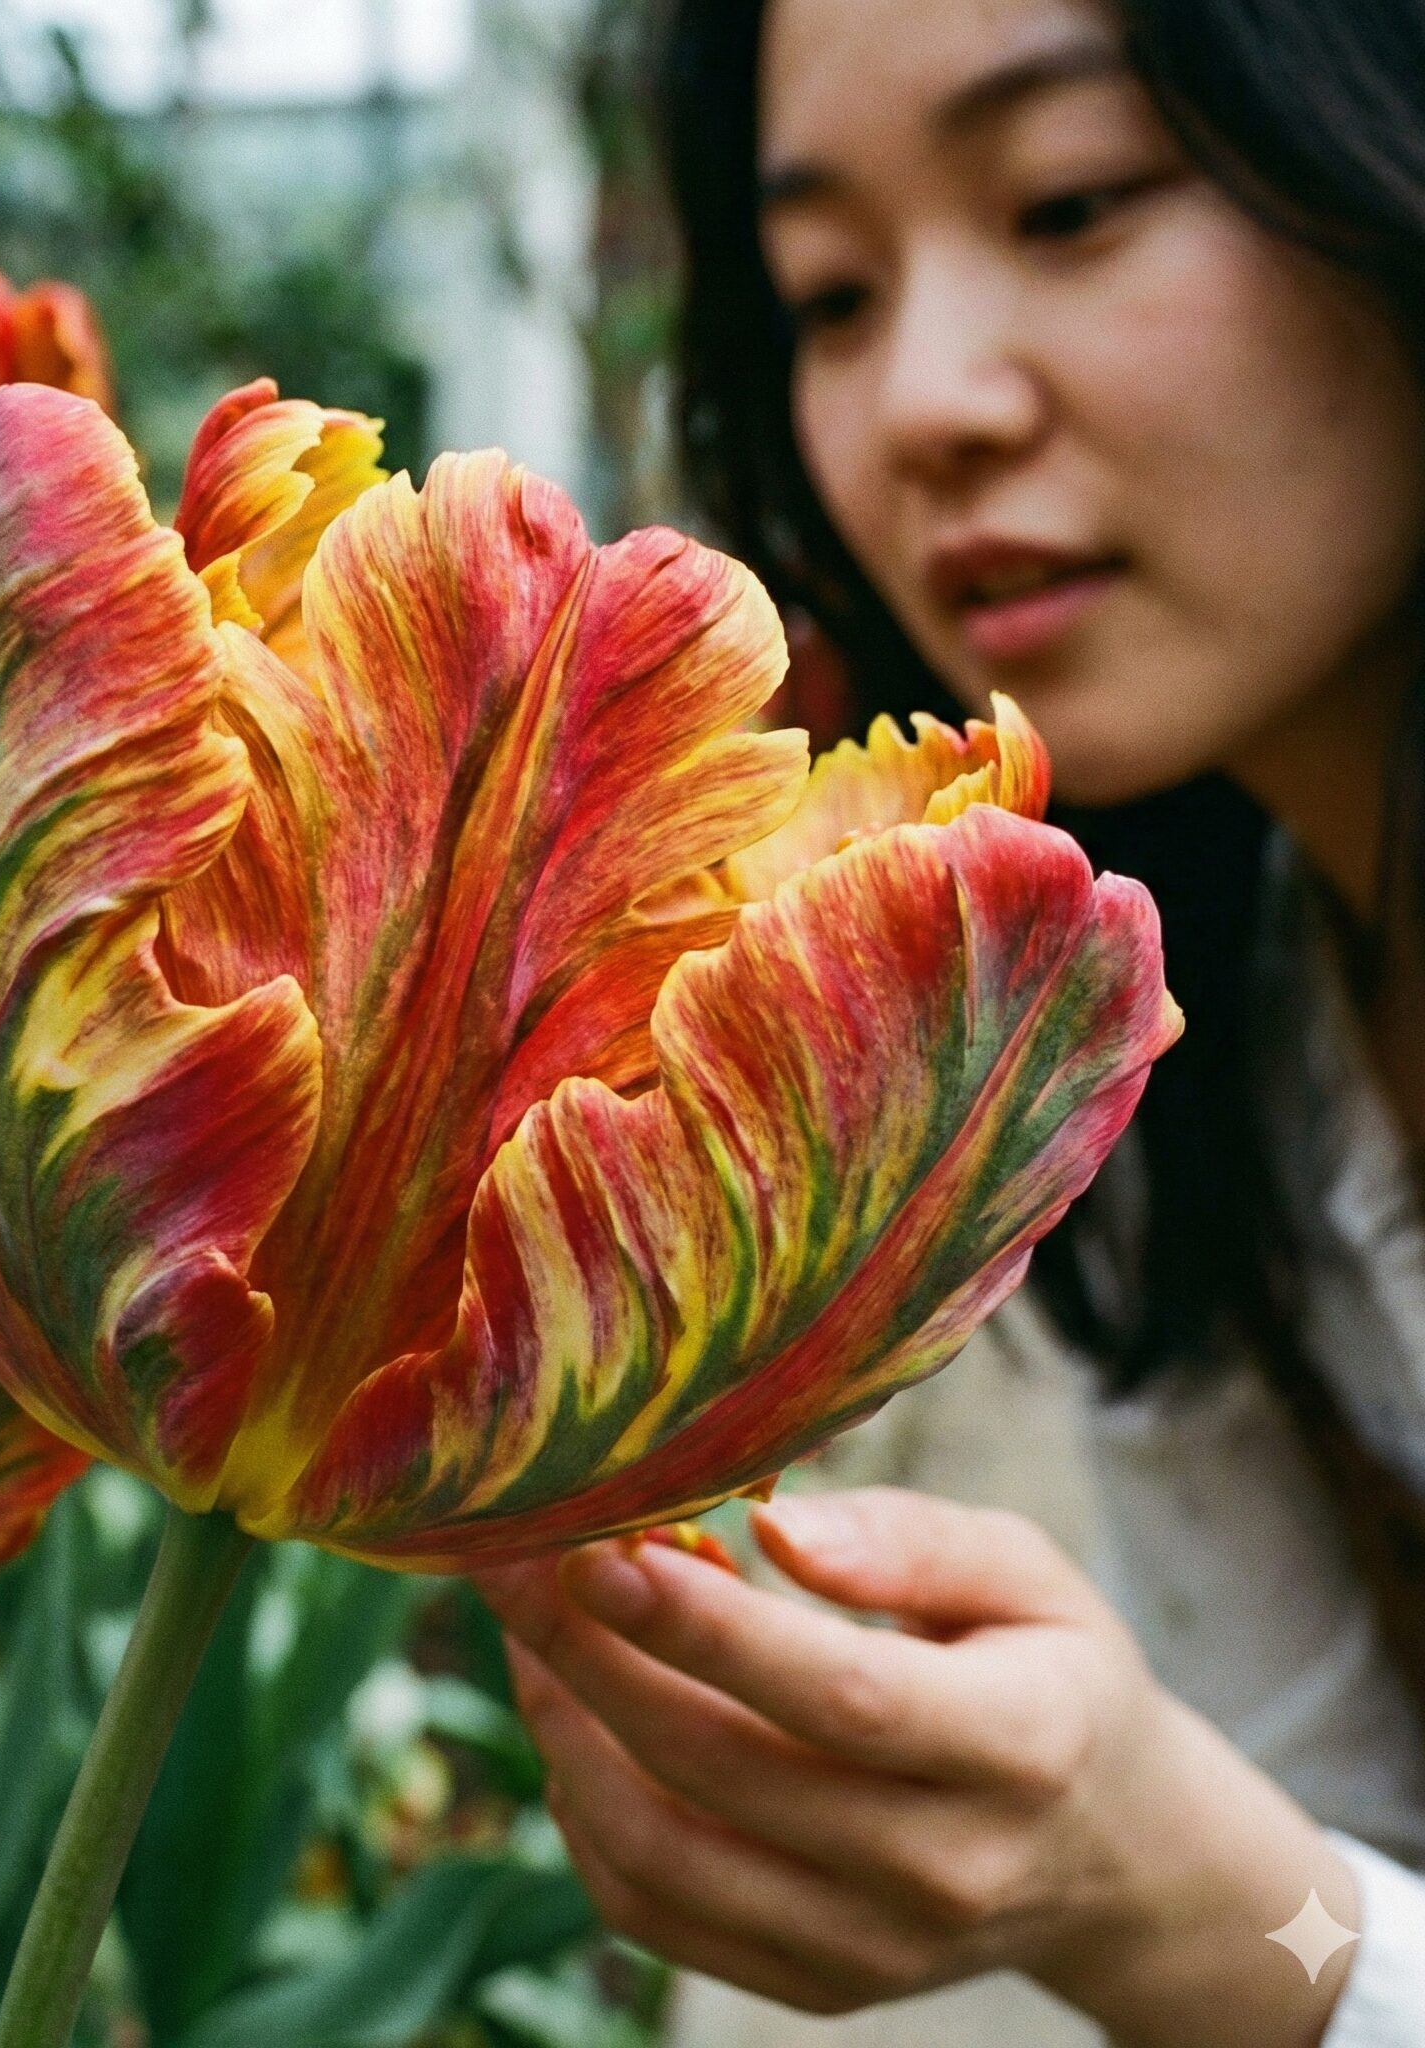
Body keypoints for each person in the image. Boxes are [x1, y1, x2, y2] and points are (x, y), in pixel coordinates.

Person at [473, 3, 1425, 2043]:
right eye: (829, 289)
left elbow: (1305, 1914)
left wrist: (1190, 1903)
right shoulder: (1193, 1037)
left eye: (1067, 199)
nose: (916, 402)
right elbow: (1346, 1824)